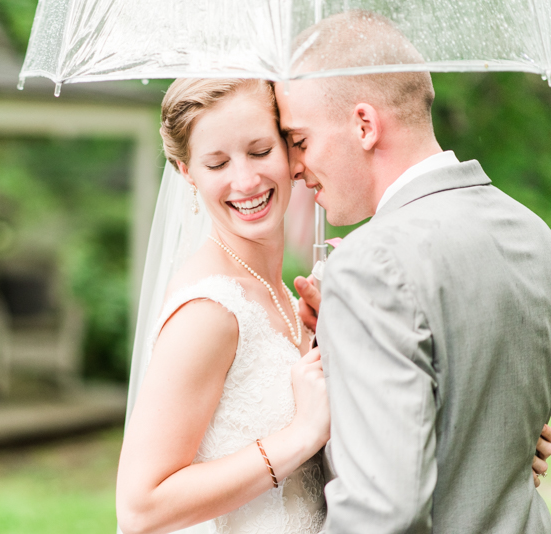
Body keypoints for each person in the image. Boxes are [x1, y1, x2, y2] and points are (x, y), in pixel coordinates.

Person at [275, 10, 551, 533]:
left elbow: (382, 512)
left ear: (364, 125)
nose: (293, 164)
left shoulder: (370, 264)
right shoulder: (532, 232)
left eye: (301, 140)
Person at [116, 78, 330, 534]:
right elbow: (140, 509)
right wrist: (300, 437)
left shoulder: (286, 297)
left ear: (290, 148)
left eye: (259, 151)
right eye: (217, 163)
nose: (246, 180)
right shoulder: (209, 310)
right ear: (186, 172)